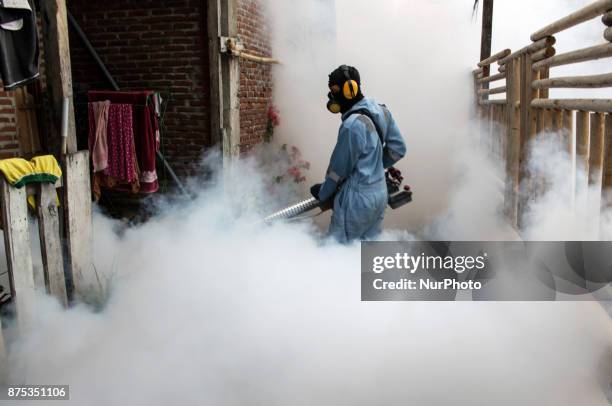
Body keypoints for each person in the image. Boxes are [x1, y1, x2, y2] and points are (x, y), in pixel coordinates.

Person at [310, 65, 406, 243]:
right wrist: (374, 166)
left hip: (357, 201)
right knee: (365, 251)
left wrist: (323, 193)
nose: (332, 96)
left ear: (350, 90)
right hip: (379, 195)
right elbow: (398, 149)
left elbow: (338, 171)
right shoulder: (381, 110)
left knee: (339, 254)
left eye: (335, 90)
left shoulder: (352, 125)